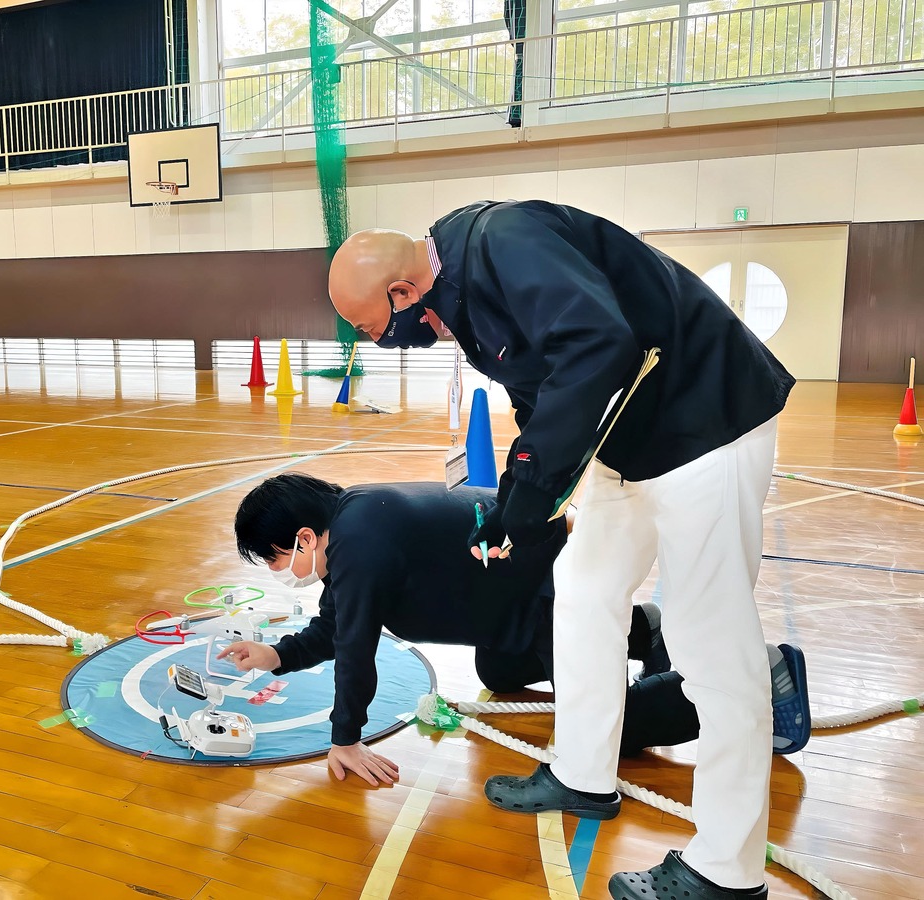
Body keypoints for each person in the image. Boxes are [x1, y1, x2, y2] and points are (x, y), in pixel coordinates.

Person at [326, 201, 796, 900]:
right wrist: (522, 512)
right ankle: (583, 773)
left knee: (709, 638)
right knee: (581, 593)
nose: (383, 340)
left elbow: (598, 342)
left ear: (402, 294)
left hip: (706, 425)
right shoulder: (460, 293)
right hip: (630, 439)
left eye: (373, 328)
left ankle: (728, 870)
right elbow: (540, 397)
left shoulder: (505, 242)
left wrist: (535, 482)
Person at [220, 474, 809, 792]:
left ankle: (764, 678)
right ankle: (639, 631)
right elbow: (340, 621)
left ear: (302, 537)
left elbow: (354, 650)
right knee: (497, 673)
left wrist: (345, 738)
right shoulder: (354, 520)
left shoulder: (359, 548)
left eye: (273, 560)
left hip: (550, 588)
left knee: (603, 728)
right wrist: (275, 653)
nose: (278, 574)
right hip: (521, 592)